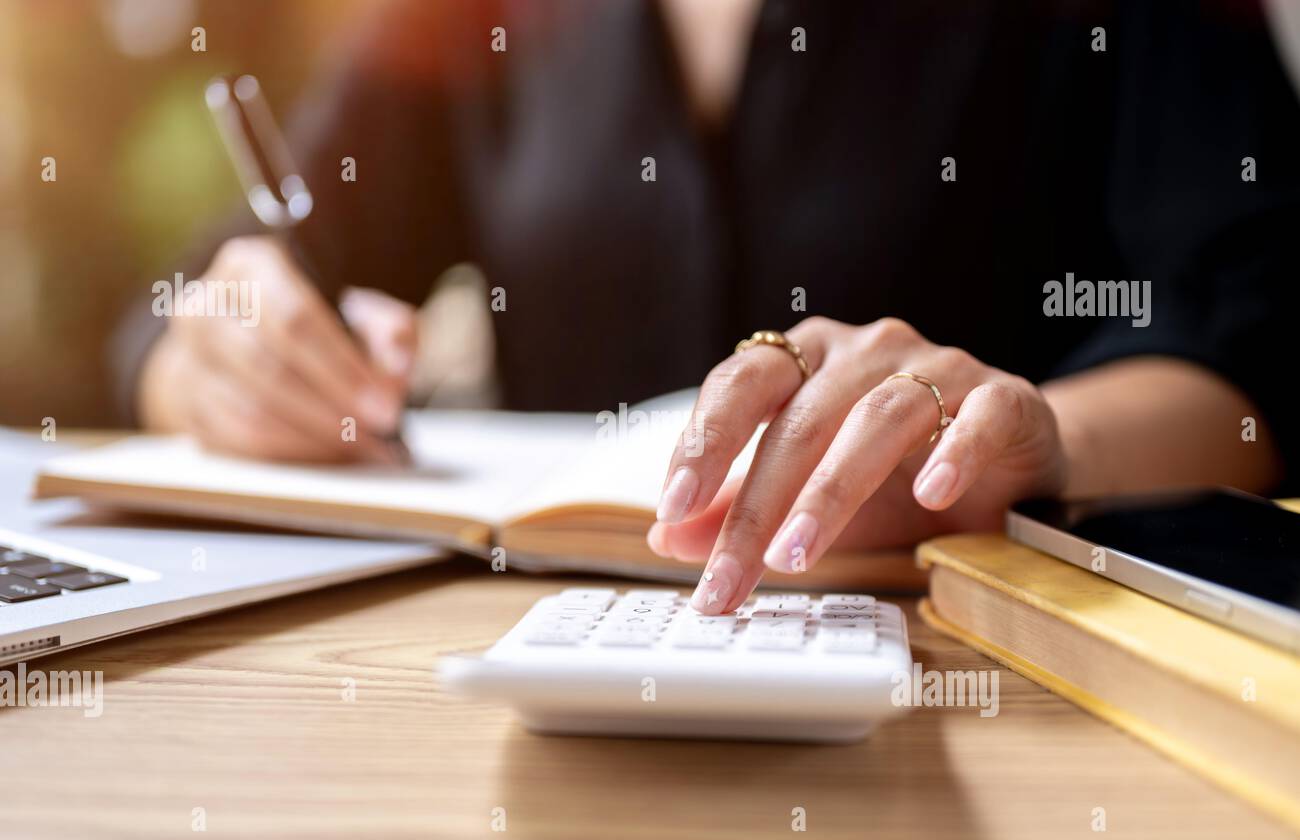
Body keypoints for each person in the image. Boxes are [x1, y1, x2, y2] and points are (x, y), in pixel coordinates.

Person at [115, 0, 1300, 613]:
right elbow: (220, 282)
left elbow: (1260, 348)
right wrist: (217, 353)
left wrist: (1038, 439)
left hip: (1000, 657)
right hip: (531, 663)